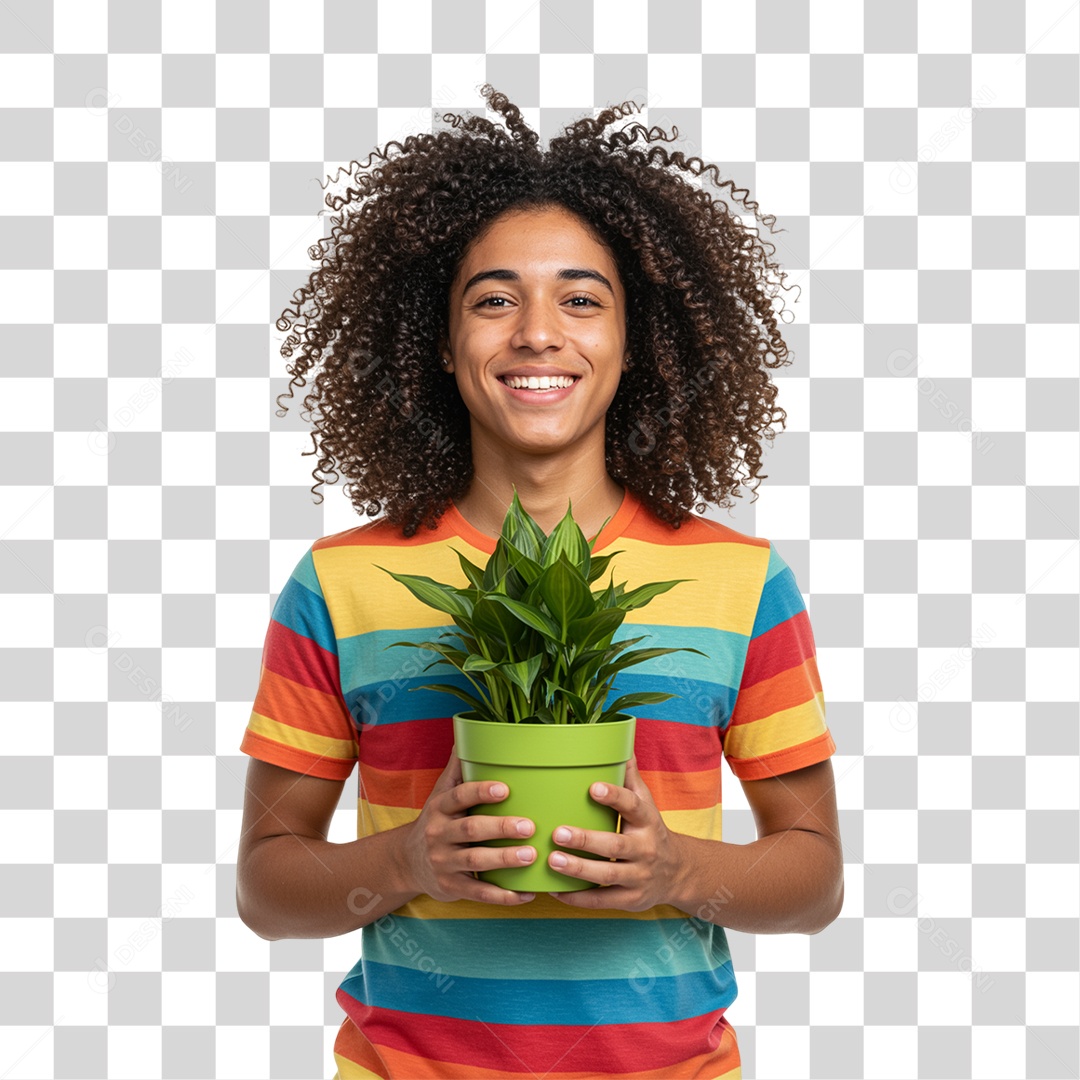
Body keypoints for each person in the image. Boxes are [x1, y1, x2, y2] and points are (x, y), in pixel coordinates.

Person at [237, 85, 842, 1080]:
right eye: (492, 298)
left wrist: (677, 870)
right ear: (442, 342)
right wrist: (408, 863)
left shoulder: (742, 580)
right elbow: (268, 889)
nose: (535, 332)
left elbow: (812, 880)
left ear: (631, 340)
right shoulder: (343, 582)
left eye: (581, 298)